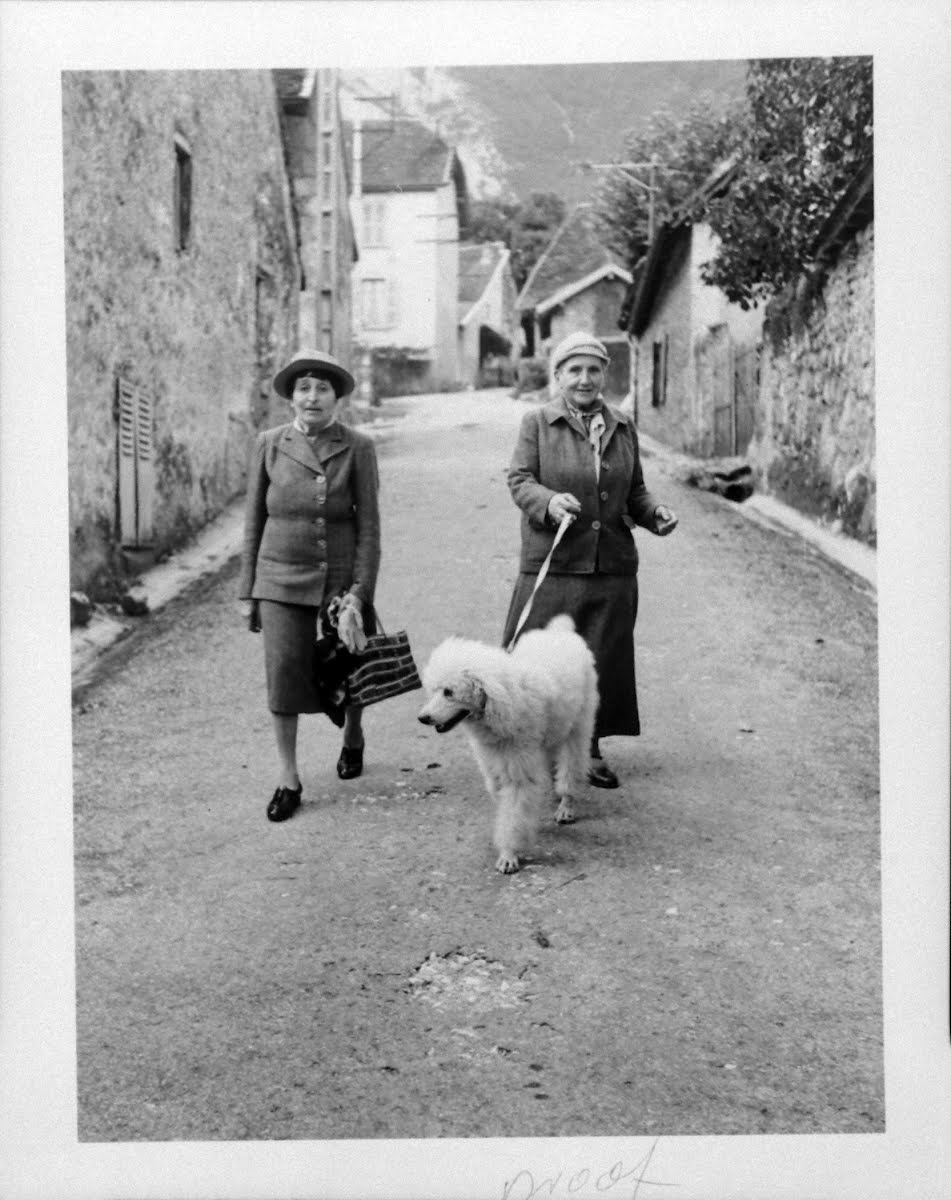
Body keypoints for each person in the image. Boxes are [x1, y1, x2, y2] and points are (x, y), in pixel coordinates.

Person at [501, 330, 678, 788]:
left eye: (593, 370)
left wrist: (654, 513)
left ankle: (589, 750)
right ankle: (530, 749)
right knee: (537, 662)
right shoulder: (537, 423)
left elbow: (634, 490)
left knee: (599, 664)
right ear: (558, 376)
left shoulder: (622, 425)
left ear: (605, 375)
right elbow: (519, 478)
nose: (585, 379)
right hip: (554, 564)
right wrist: (548, 502)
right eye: (574, 370)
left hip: (611, 569)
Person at [239, 348, 381, 822]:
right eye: (304, 388)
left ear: (336, 397)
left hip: (339, 578)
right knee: (283, 674)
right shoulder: (269, 443)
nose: (312, 397)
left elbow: (370, 528)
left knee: (351, 666)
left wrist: (360, 592)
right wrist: (248, 592)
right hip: (278, 577)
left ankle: (353, 736)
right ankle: (288, 777)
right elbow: (253, 520)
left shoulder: (357, 447)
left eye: (323, 388)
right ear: (291, 398)